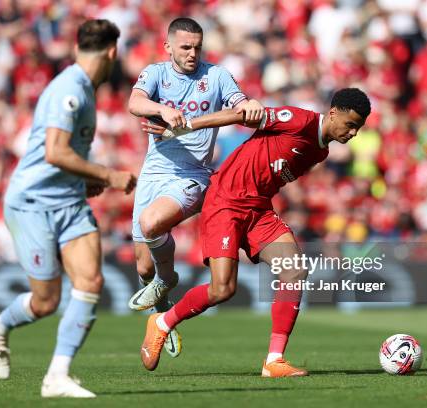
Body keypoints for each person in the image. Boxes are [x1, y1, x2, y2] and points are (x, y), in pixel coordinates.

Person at [139, 88, 371, 376]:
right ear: (333, 113)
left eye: (358, 128)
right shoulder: (298, 120)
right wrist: (184, 127)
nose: (353, 133)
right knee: (222, 289)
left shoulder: (320, 151)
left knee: (294, 269)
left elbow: (275, 169)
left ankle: (274, 360)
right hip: (225, 201)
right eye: (350, 124)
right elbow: (240, 115)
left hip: (258, 208)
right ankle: (162, 322)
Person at [0, 19, 137, 398]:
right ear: (113, 52)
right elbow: (55, 152)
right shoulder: (69, 89)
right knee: (46, 301)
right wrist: (108, 174)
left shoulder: (83, 87)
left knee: (90, 282)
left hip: (69, 201)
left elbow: (62, 156)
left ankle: (57, 376)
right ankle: (0, 325)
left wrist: (83, 181)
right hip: (32, 203)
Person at [126, 17, 263, 357]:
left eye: (197, 47)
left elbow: (239, 104)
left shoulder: (215, 76)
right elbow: (135, 103)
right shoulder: (155, 73)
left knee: (151, 224)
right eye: (185, 47)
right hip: (153, 174)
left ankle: (167, 279)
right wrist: (162, 109)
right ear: (168, 46)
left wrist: (249, 106)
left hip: (194, 174)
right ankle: (162, 311)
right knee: (143, 266)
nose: (192, 53)